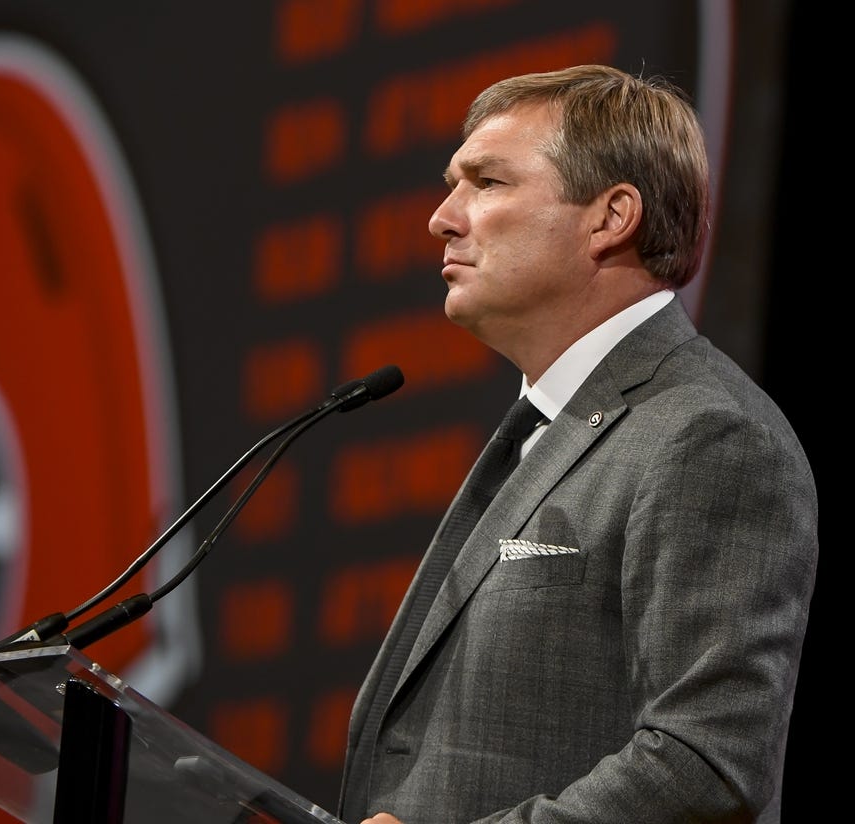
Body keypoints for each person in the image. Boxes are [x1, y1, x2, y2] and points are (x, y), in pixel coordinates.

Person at [337, 64, 817, 824]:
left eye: (487, 182)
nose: (442, 217)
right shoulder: (547, 427)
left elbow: (708, 764)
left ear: (610, 217)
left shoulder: (707, 434)